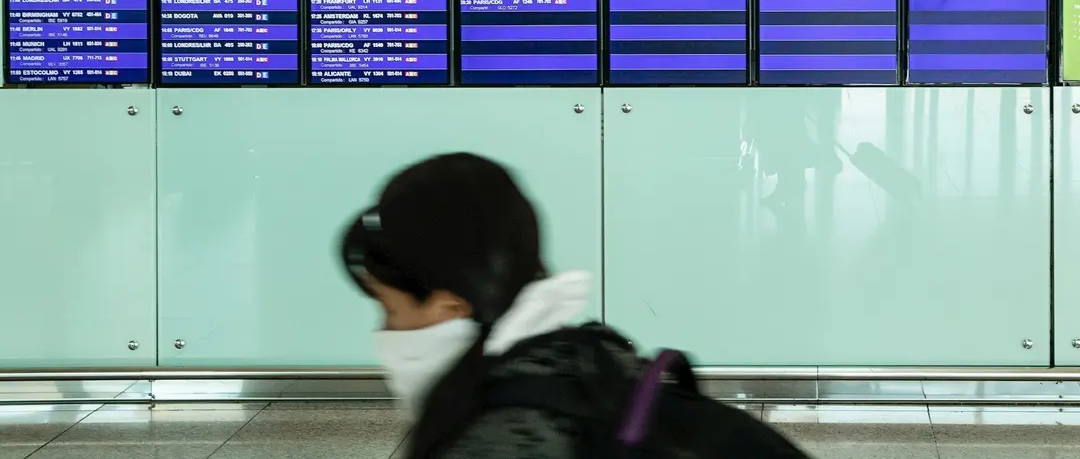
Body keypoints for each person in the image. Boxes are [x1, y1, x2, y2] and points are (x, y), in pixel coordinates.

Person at [340, 152, 808, 459]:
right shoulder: (586, 359)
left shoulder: (501, 433)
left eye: (390, 310)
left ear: (450, 307)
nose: (386, 330)